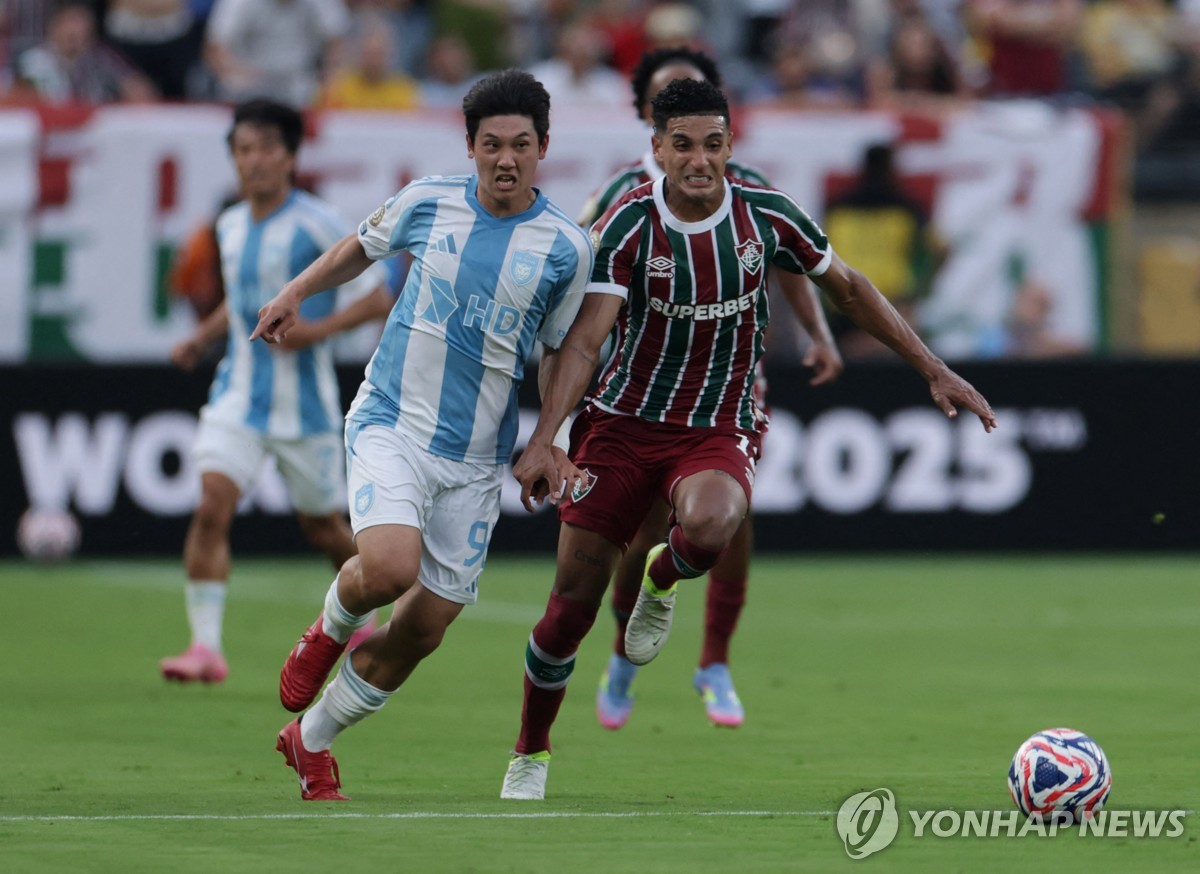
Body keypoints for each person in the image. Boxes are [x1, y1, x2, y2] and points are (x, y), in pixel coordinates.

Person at [501, 77, 997, 801]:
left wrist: (934, 369)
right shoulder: (629, 225)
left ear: (730, 145)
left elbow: (850, 287)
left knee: (714, 523)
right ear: (658, 150)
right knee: (568, 611)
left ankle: (662, 580)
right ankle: (531, 750)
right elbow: (583, 342)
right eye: (683, 146)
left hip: (717, 425)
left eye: (713, 144)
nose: (699, 160)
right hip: (622, 427)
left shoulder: (768, 214)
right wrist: (547, 436)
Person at [250, 70, 594, 802]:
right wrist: (295, 292)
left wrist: (547, 438)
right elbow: (359, 246)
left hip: (476, 460)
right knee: (387, 568)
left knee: (424, 629)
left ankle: (311, 739)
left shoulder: (567, 246)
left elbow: (563, 351)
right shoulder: (428, 201)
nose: (506, 159)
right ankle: (328, 629)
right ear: (470, 146)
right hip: (393, 422)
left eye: (521, 145)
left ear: (543, 148)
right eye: (492, 144)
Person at [577, 46, 844, 731]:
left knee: (730, 516)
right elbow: (573, 267)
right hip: (645, 395)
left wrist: (817, 332)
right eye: (669, 98)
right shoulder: (619, 196)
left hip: (732, 388)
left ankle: (715, 662)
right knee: (642, 534)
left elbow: (795, 260)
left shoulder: (747, 185)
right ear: (651, 120)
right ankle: (624, 652)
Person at [159, 98, 392, 685]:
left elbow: (377, 297)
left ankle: (367, 620)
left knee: (323, 527)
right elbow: (243, 304)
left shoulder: (318, 223)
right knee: (211, 507)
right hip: (236, 396)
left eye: (266, 148)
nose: (254, 160)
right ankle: (205, 649)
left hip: (304, 407)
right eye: (244, 149)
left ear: (290, 157)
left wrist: (316, 331)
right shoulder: (230, 224)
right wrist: (201, 338)